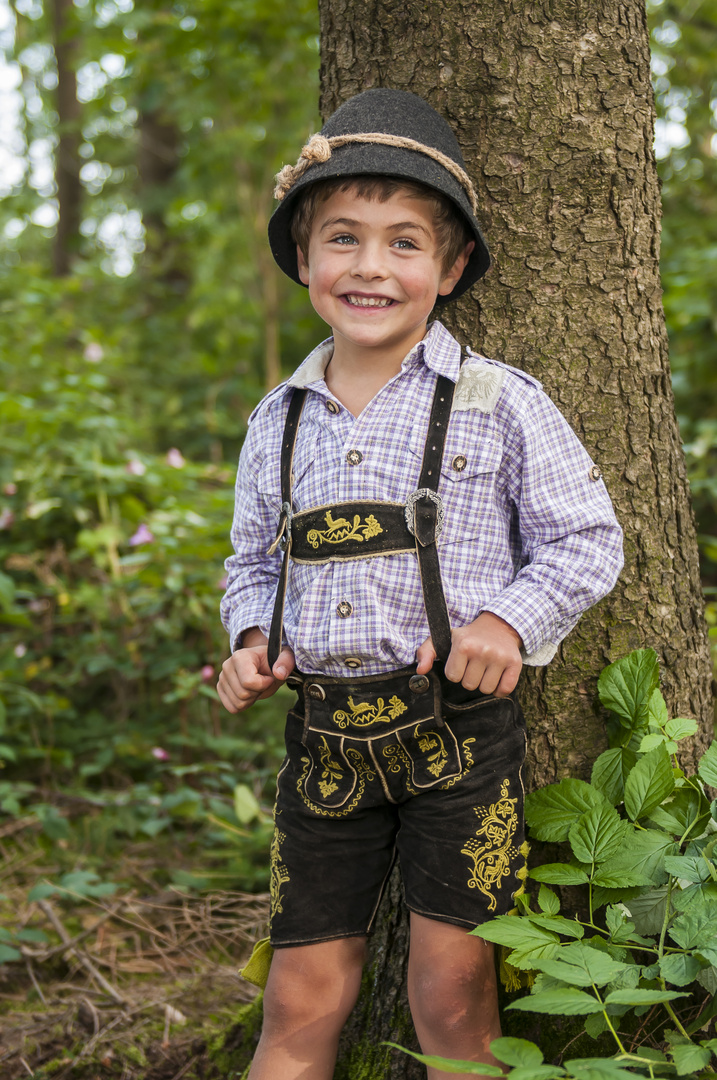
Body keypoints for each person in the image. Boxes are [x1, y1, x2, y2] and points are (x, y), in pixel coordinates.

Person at [218, 88, 623, 1080]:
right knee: (301, 993)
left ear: (451, 268)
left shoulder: (497, 401)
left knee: (449, 992)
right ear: (304, 259)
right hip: (324, 745)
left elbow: (587, 537)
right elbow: (253, 563)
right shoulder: (279, 419)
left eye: (404, 244)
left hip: (458, 739)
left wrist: (507, 620)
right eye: (343, 239)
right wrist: (250, 640)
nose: (369, 266)